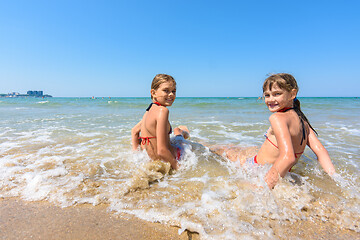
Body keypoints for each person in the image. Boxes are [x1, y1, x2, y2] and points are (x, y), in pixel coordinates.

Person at [212, 73, 335, 189]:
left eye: (277, 94)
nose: (270, 99)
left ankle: (200, 145)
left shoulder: (278, 118)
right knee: (236, 149)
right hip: (283, 172)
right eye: (267, 95)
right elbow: (321, 151)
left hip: (258, 168)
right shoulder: (302, 121)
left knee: (221, 151)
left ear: (292, 94)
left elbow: (288, 157)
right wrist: (334, 178)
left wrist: (263, 188)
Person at [131, 74, 190, 170]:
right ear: (153, 93)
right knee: (206, 148)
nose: (171, 94)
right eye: (166, 90)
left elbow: (134, 131)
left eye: (173, 91)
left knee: (179, 133)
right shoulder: (163, 111)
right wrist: (178, 169)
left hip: (154, 160)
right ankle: (181, 131)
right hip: (174, 154)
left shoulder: (149, 110)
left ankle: (180, 131)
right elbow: (162, 151)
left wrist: (137, 157)